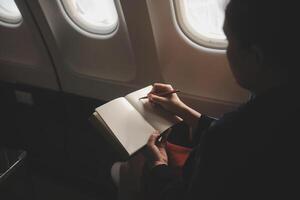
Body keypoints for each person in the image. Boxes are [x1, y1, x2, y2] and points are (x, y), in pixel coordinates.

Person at [142, 0, 299, 199]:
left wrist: (158, 166)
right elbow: (247, 135)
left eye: (228, 41)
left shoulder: (226, 138)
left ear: (254, 57)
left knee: (129, 169)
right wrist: (185, 112)